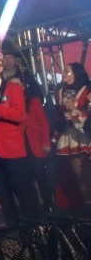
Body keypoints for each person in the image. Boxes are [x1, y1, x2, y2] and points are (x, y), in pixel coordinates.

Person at [0, 51, 42, 227]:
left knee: (25, 192)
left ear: (1, 68)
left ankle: (36, 229)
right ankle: (13, 230)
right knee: (3, 195)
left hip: (12, 149)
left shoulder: (14, 88)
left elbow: (19, 115)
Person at [53, 63, 90, 209]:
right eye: (63, 70)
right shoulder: (59, 92)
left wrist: (75, 109)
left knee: (86, 170)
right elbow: (58, 115)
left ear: (76, 74)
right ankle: (83, 206)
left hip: (84, 133)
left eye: (67, 71)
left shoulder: (86, 89)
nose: (63, 73)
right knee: (77, 172)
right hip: (69, 133)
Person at [15, 76, 52, 215]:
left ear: (24, 86)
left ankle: (48, 203)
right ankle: (34, 206)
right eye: (12, 84)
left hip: (34, 144)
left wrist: (46, 141)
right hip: (19, 145)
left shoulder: (33, 101)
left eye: (18, 83)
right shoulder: (9, 104)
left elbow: (44, 122)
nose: (15, 87)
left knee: (40, 176)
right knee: (26, 178)